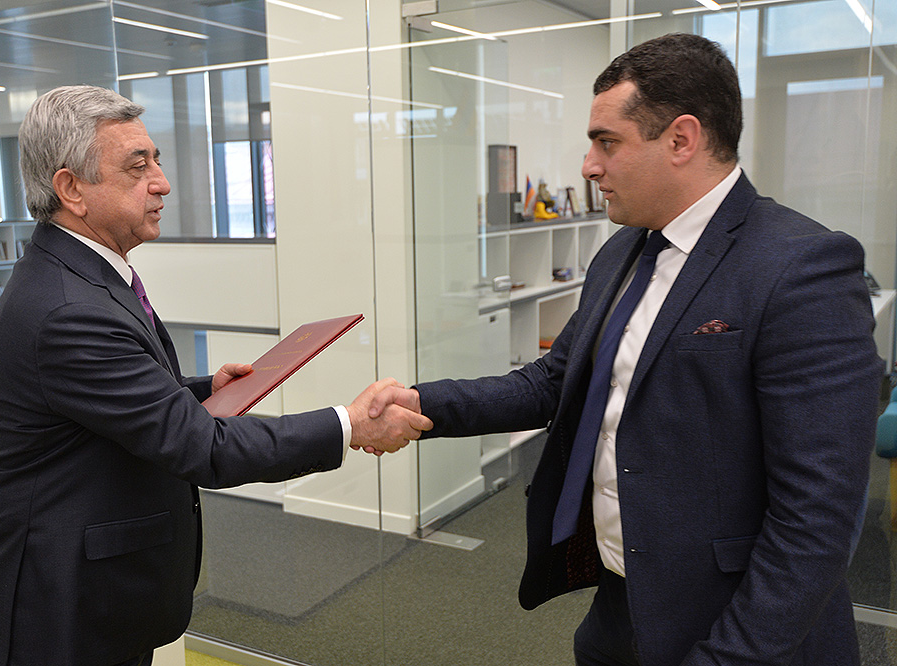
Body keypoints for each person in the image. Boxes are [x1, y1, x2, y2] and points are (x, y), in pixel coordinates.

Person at [361, 33, 882, 665]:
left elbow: (817, 519)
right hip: (619, 610)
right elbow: (553, 381)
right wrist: (421, 404)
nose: (588, 166)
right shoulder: (622, 252)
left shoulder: (802, 267)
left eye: (606, 142)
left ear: (681, 140)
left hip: (735, 627)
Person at [0, 85, 430, 666]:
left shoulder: (84, 276)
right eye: (138, 167)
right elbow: (202, 448)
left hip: (93, 591)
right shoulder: (67, 308)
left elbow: (101, 404)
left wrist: (199, 391)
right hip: (61, 605)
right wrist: (350, 425)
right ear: (71, 189)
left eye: (156, 161)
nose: (162, 183)